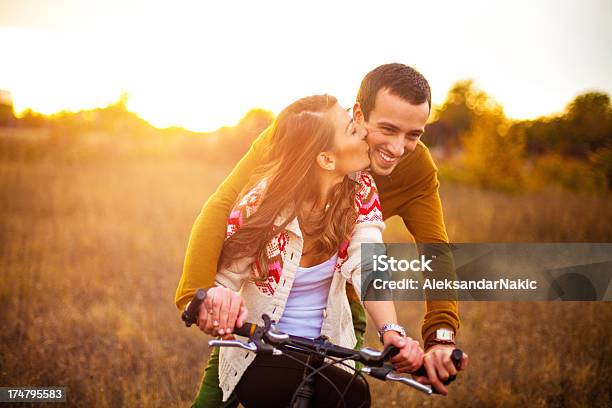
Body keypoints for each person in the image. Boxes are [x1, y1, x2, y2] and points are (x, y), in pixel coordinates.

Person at [175, 64, 469, 403]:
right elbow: (224, 206)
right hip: (263, 304)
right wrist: (203, 295)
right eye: (387, 129)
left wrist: (437, 338)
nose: (399, 148)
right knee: (222, 385)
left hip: (340, 293)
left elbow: (431, 252)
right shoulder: (301, 132)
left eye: (414, 135)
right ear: (358, 115)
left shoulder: (391, 180)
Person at [200, 94, 422, 407]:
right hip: (259, 351)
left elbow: (368, 264)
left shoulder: (362, 190)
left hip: (330, 351)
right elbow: (226, 281)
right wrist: (219, 300)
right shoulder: (259, 205)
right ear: (326, 159)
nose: (362, 131)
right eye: (350, 129)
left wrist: (392, 331)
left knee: (355, 398)